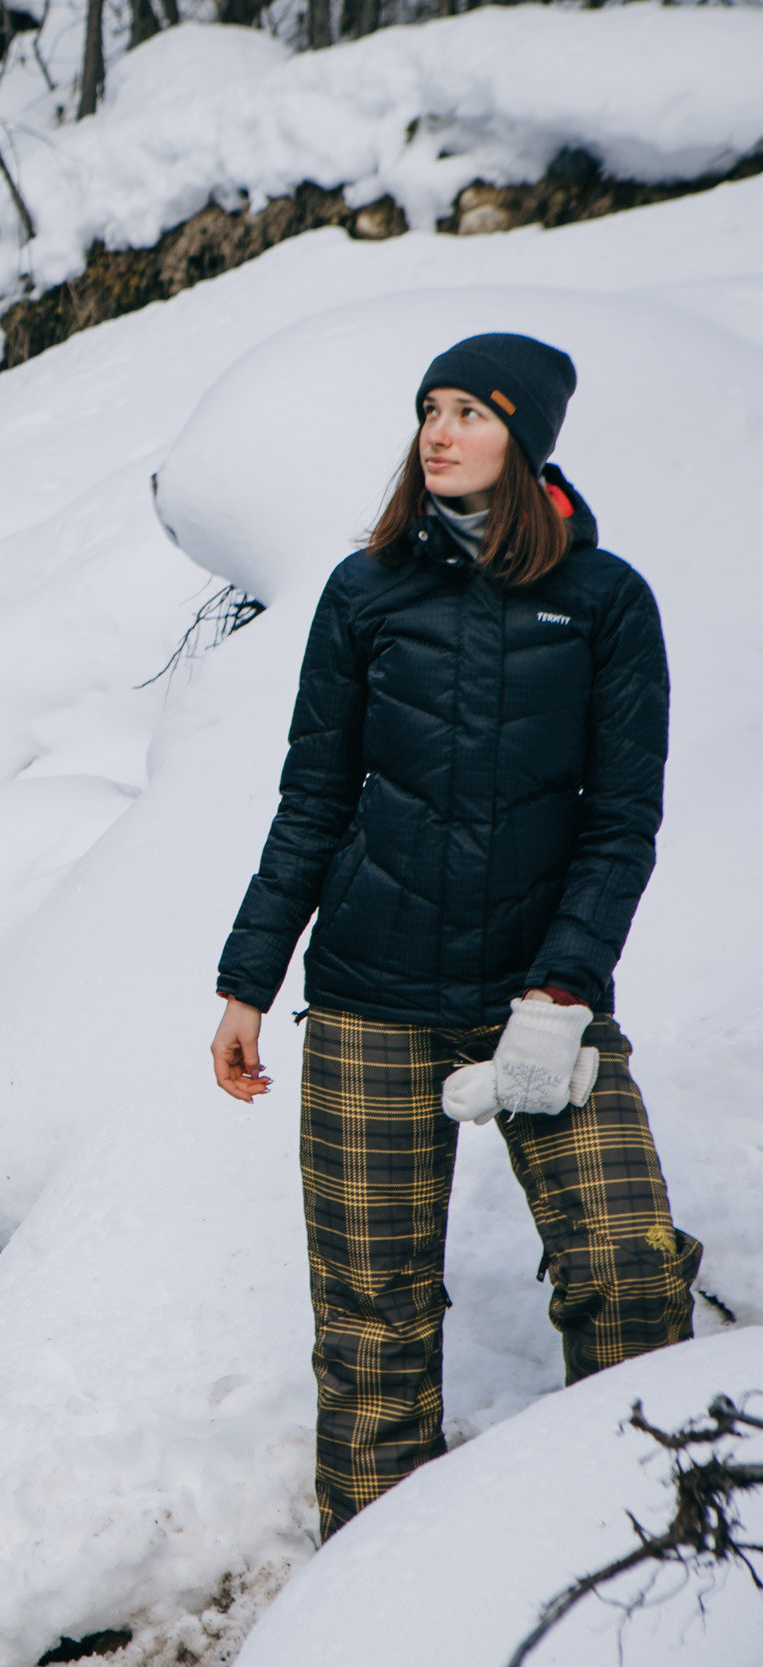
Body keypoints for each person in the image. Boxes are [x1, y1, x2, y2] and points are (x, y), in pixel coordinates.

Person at [204, 332, 702, 1539]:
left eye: (470, 410)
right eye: (428, 407)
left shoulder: (602, 601)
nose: (437, 430)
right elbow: (314, 799)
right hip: (371, 1000)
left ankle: (644, 1557)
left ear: (524, 437)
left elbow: (620, 820)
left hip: (539, 997)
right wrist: (247, 980)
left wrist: (562, 988)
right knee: (372, 1320)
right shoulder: (365, 591)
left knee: (628, 1268)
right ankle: (377, 1598)